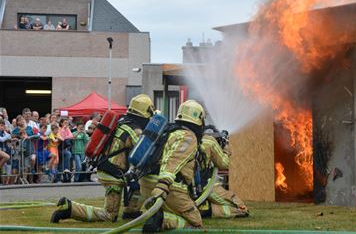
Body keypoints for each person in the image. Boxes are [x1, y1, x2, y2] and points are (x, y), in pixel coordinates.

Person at [51, 94, 155, 223]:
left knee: (139, 183)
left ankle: (131, 212)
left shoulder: (121, 122)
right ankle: (69, 208)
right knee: (109, 215)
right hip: (113, 173)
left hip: (107, 168)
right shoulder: (134, 130)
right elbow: (145, 152)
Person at [139, 100, 206, 232]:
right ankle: (162, 219)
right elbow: (173, 160)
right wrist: (163, 184)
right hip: (168, 186)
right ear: (199, 120)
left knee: (172, 212)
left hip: (147, 181)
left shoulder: (168, 131)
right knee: (196, 224)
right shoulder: (188, 136)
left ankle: (155, 217)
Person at [197, 130, 249, 218]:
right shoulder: (209, 141)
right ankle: (205, 210)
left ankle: (203, 207)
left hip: (186, 188)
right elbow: (224, 164)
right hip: (205, 185)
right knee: (242, 209)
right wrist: (225, 150)